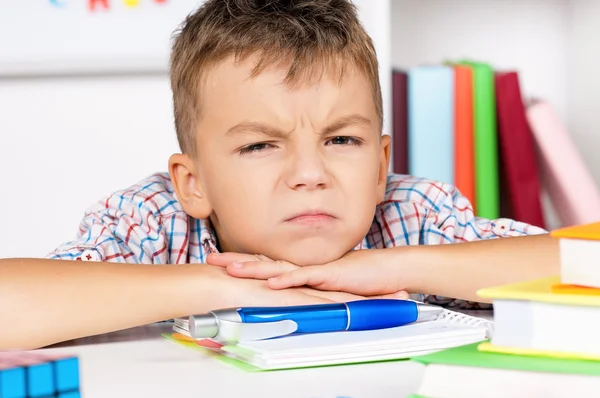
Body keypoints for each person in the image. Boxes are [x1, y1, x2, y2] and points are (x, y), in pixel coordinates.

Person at [0, 0, 559, 350]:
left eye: (342, 140)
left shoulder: (409, 214)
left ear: (382, 162)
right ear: (193, 183)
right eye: (260, 145)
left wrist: (387, 265)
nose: (311, 174)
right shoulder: (152, 222)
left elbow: (583, 267)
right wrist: (233, 286)